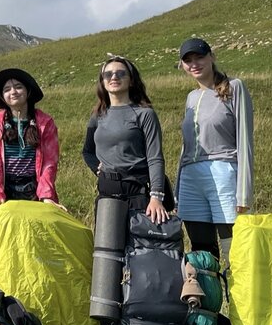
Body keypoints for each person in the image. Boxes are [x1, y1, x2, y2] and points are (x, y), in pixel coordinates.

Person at [175, 38, 255, 258]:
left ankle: (236, 293)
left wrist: (244, 194)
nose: (194, 64)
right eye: (188, 60)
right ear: (182, 65)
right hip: (191, 178)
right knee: (201, 254)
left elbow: (245, 140)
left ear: (212, 57)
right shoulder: (190, 98)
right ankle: (210, 293)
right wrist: (177, 191)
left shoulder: (234, 87)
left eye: (199, 57)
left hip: (224, 173)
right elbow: (186, 147)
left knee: (235, 253)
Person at [82, 55, 170, 224]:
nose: (114, 77)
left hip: (137, 192)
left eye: (121, 73)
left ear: (131, 80)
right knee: (105, 250)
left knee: (139, 249)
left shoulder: (145, 114)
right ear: (102, 82)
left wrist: (156, 197)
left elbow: (155, 158)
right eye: (108, 74)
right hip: (106, 193)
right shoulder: (97, 116)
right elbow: (87, 151)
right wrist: (97, 168)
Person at [0, 68, 62, 219]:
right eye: (7, 89)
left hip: (34, 192)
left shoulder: (45, 123)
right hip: (3, 191)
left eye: (18, 87)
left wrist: (46, 195)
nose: (13, 92)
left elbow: (50, 162)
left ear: (28, 91)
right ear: (2, 97)